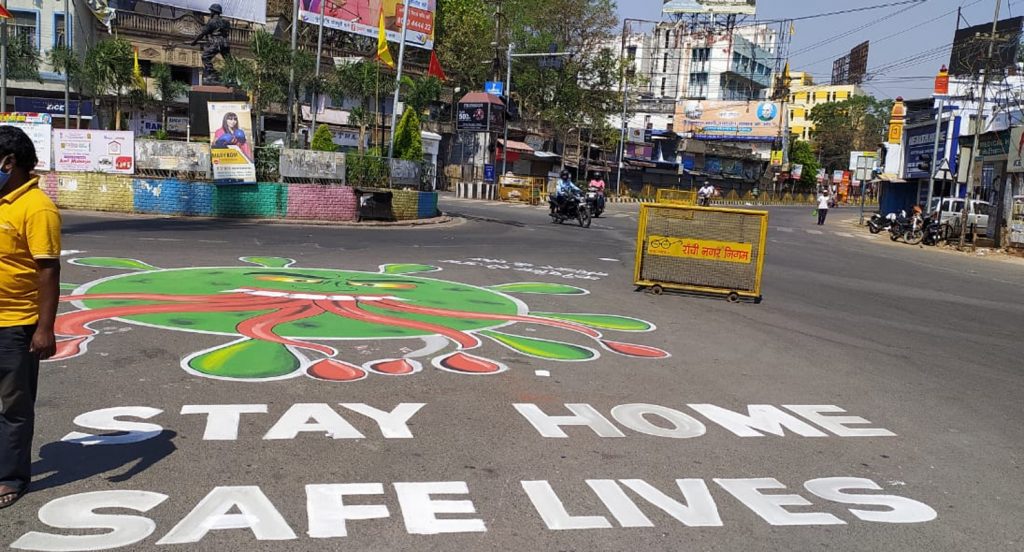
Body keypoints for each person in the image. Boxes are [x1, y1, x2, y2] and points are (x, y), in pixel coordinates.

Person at [0, 126, 61, 510]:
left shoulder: (37, 208)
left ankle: (10, 477)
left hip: (15, 325)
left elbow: (48, 270)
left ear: (9, 163)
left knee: (14, 406)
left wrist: (44, 328)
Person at [192, 4, 231, 84]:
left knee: (205, 56)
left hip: (217, 43)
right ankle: (234, 75)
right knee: (229, 60)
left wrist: (194, 41)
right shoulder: (226, 22)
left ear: (214, 12)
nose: (210, 13)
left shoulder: (212, 21)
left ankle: (213, 74)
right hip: (225, 43)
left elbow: (202, 33)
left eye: (211, 11)